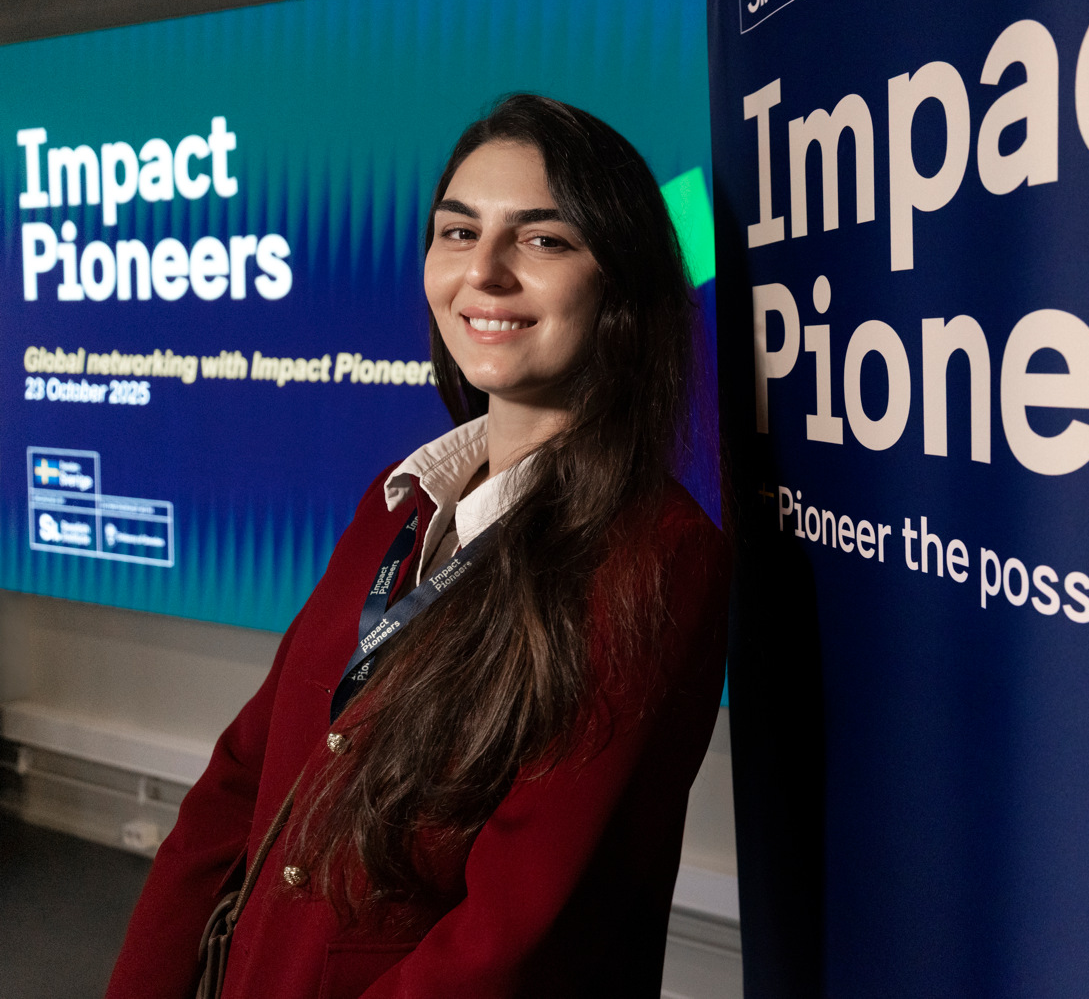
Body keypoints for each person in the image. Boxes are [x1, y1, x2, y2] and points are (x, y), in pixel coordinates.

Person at [105, 95, 730, 998]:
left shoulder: (657, 560)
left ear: (621, 281)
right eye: (457, 231)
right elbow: (245, 776)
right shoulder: (398, 500)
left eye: (544, 240)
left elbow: (513, 939)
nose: (484, 273)